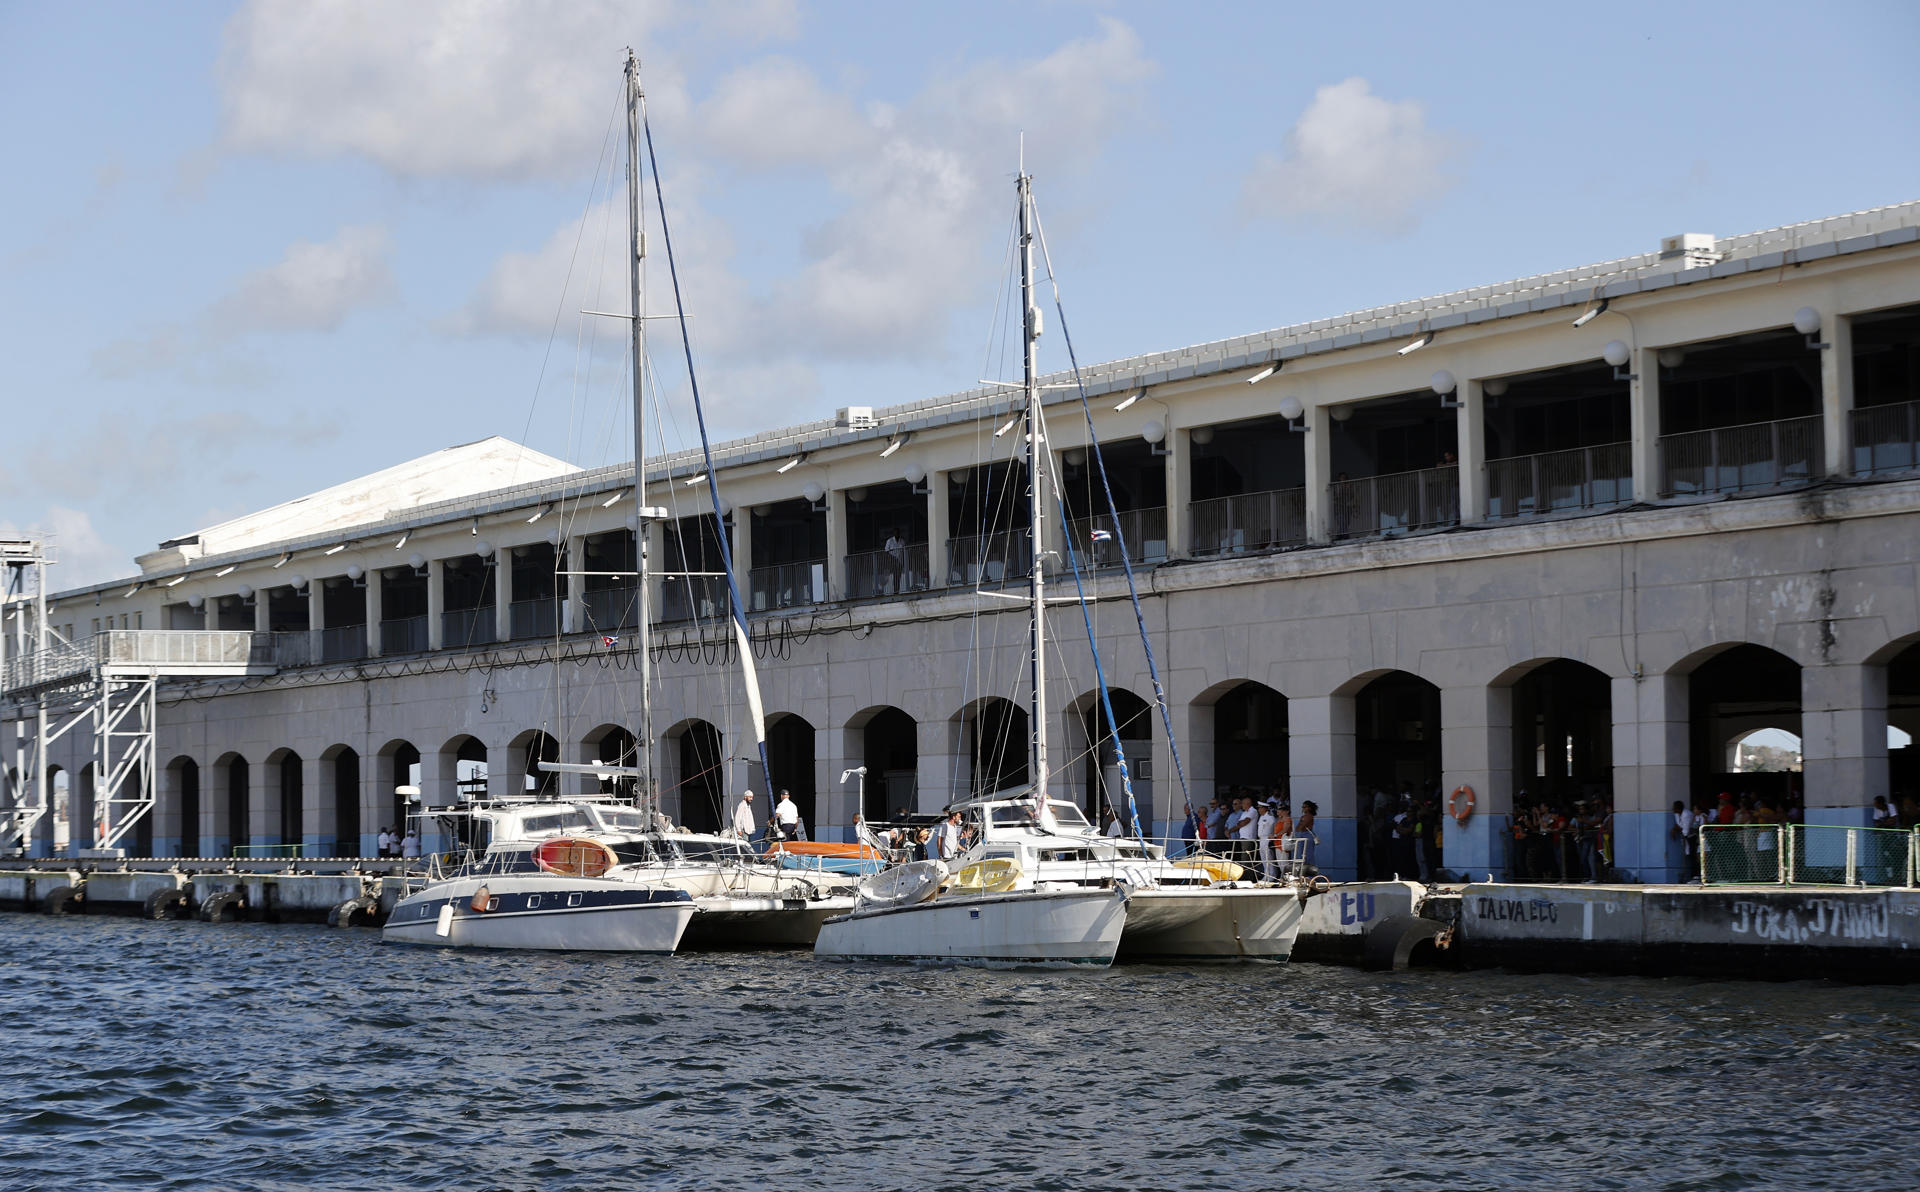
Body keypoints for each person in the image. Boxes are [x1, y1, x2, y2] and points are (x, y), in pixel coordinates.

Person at [1295, 800, 1319, 871]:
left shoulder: (1309, 816)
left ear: (1309, 808)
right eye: (1302, 807)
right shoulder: (1303, 816)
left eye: (1305, 807)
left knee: (1308, 855)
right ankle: (1305, 871)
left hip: (1307, 835)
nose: (1303, 808)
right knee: (1303, 855)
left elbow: (1301, 826)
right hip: (1302, 834)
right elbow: (1297, 828)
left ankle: (1311, 872)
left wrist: (1301, 823)